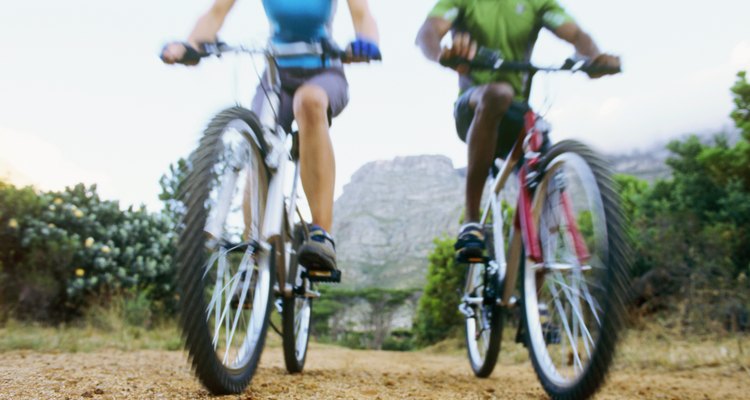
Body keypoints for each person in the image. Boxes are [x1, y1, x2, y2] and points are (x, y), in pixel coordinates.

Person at [161, 0, 381, 273]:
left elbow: (363, 16)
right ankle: (254, 259)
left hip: (324, 71)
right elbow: (216, 12)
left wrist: (366, 42)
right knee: (259, 140)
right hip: (275, 76)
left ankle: (321, 234)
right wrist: (191, 45)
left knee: (309, 102)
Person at [415, 0, 620, 260]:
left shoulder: (538, 3)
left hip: (517, 114)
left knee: (549, 206)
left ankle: (533, 294)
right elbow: (428, 32)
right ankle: (472, 221)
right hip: (473, 105)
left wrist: (593, 57)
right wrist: (442, 54)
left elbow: (577, 34)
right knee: (499, 93)